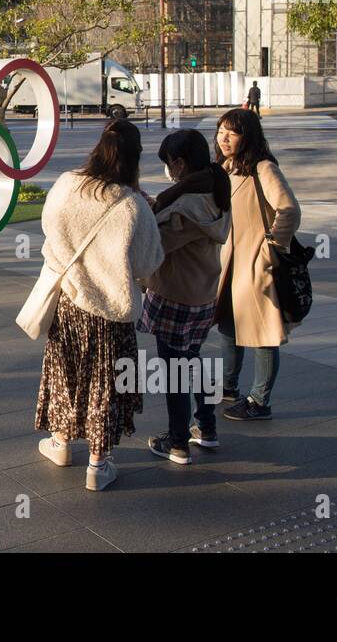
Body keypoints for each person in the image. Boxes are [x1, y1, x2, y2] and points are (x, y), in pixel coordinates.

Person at [34, 119, 164, 491]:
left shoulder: (66, 184)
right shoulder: (133, 205)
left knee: (66, 373)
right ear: (134, 157)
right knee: (106, 384)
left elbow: (49, 231)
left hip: (71, 301)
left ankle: (60, 442)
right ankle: (98, 462)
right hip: (110, 308)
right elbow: (148, 263)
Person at [140, 129, 232, 463]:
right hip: (203, 295)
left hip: (176, 297)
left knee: (174, 370)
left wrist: (145, 213)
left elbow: (155, 244)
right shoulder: (213, 190)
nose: (168, 169)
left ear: (179, 163)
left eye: (168, 163)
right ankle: (205, 427)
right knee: (191, 361)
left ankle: (177, 441)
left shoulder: (186, 206)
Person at [213, 108, 302, 421]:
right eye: (221, 130)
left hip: (255, 263)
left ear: (247, 136)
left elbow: (289, 210)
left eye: (232, 132)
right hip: (229, 264)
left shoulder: (263, 168)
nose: (224, 138)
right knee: (227, 325)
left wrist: (272, 248)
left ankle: (260, 400)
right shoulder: (225, 168)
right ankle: (228, 387)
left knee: (264, 334)